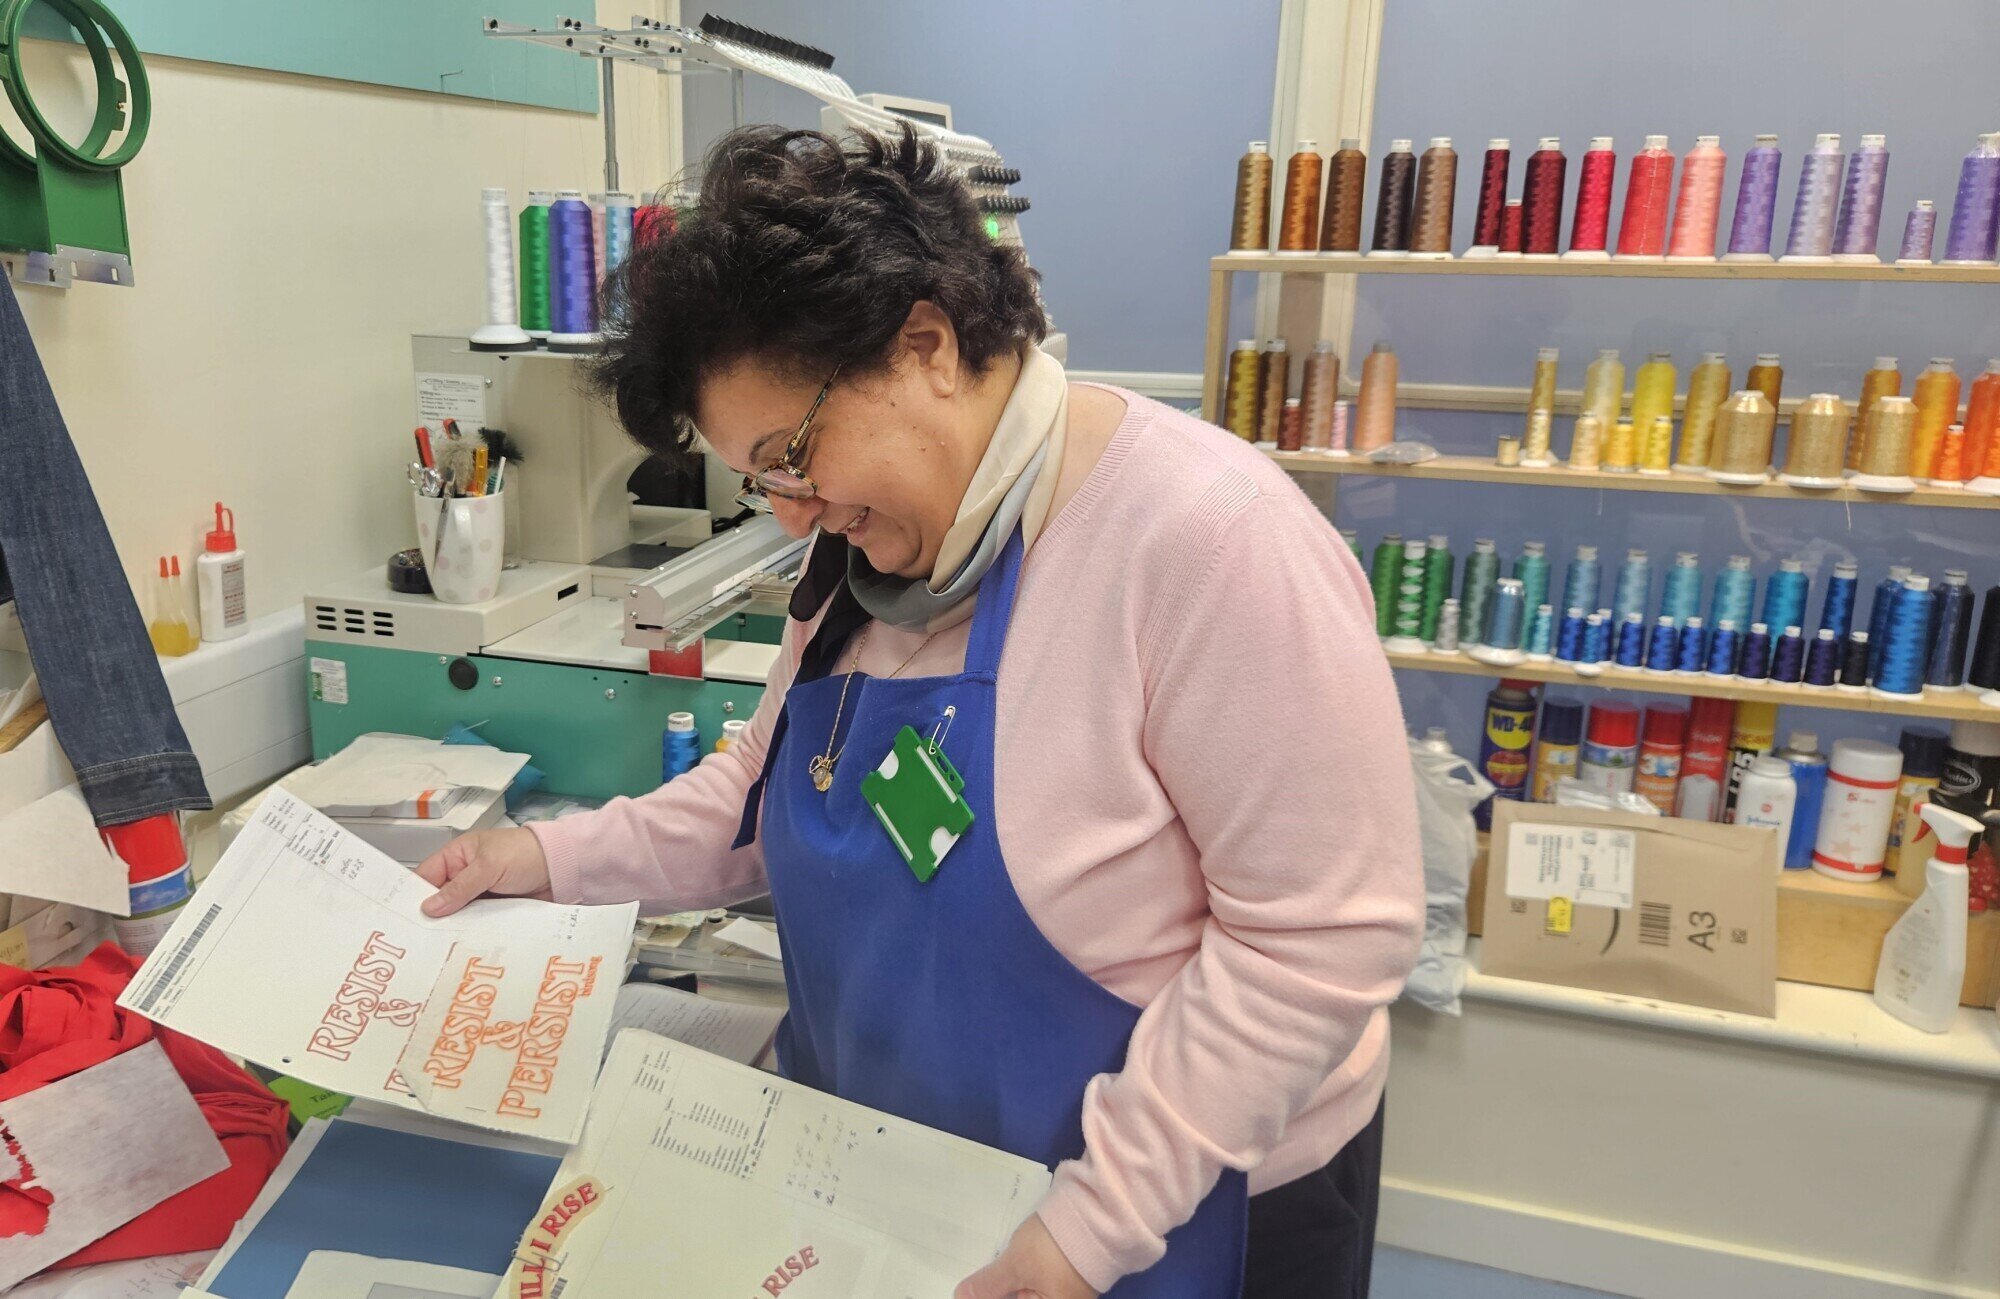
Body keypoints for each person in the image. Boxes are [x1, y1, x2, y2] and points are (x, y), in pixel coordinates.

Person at [419, 125, 1422, 1299]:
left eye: (792, 455)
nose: (788, 515)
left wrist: (1087, 1232)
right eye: (758, 479)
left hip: (1183, 1205)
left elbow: (1320, 939)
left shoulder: (1208, 543)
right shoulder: (873, 559)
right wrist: (544, 855)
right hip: (920, 1186)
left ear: (928, 347)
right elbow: (761, 785)